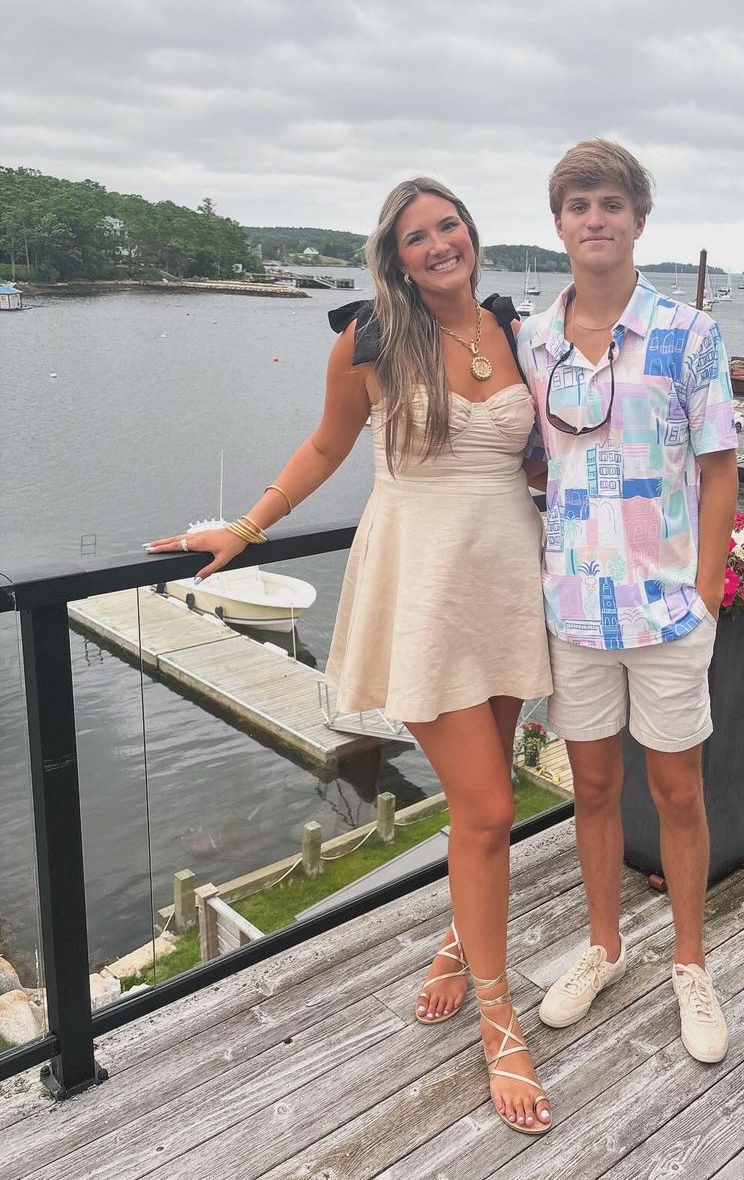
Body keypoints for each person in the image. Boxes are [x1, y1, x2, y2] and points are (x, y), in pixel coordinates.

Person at [147, 178, 554, 1135]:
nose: (439, 244)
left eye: (449, 225)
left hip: (505, 578)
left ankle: (457, 947)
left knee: (485, 800)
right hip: (420, 585)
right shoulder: (370, 339)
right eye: (417, 236)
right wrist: (245, 528)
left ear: (471, 232)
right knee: (490, 810)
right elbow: (327, 447)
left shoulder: (514, 330)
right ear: (395, 257)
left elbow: (541, 455)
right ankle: (500, 1022)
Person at [517, 139, 740, 1063]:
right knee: (595, 788)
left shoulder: (689, 334)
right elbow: (534, 458)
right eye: (579, 205)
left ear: (639, 220)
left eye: (611, 203)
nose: (595, 219)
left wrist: (706, 595)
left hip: (666, 611)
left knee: (678, 792)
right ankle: (604, 946)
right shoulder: (534, 340)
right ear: (559, 223)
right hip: (574, 610)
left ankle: (691, 962)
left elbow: (720, 471)